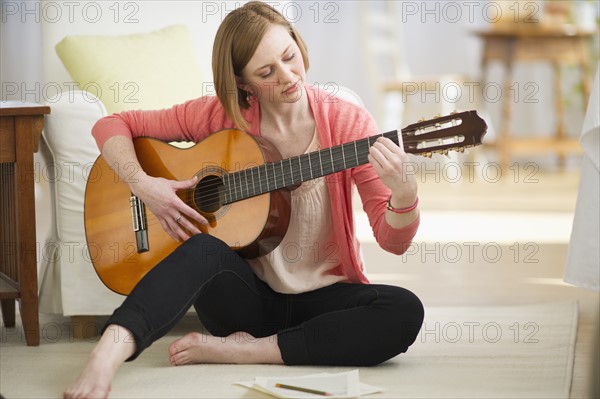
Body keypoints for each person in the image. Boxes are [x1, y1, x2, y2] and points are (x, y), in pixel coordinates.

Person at [64, 2, 423, 398]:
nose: (288, 77)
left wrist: (404, 196)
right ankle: (108, 353)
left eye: (290, 57)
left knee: (403, 310)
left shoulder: (348, 123)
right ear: (243, 83)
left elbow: (394, 241)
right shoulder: (220, 115)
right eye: (267, 72)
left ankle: (248, 351)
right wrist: (145, 185)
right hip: (244, 302)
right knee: (203, 248)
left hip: (324, 300)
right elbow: (112, 124)